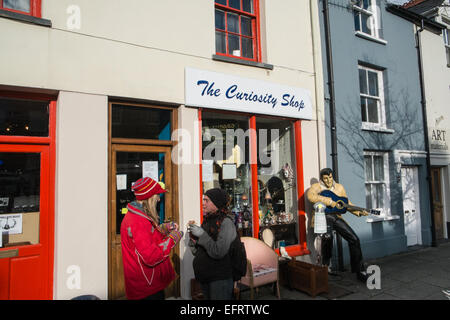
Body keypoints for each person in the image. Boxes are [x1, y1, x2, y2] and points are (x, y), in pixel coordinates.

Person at [120, 177, 183, 300]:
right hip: (147, 288)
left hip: (146, 285)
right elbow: (151, 257)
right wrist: (172, 239)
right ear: (148, 197)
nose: (159, 199)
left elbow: (149, 237)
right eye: (157, 195)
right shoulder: (138, 221)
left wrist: (164, 228)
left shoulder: (139, 216)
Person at [307, 168, 369, 282]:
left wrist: (358, 212)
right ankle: (325, 267)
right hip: (322, 217)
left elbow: (346, 204)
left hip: (336, 217)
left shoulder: (339, 188)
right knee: (327, 237)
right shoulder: (316, 187)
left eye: (330, 177)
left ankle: (360, 271)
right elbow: (311, 196)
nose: (328, 180)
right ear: (321, 179)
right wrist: (330, 201)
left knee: (354, 239)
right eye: (325, 178)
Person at [188, 188, 237, 300]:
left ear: (216, 202)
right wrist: (193, 240)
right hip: (206, 277)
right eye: (203, 200)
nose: (203, 203)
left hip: (219, 279)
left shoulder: (226, 223)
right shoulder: (208, 220)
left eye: (207, 200)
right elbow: (198, 251)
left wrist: (201, 235)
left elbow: (218, 252)